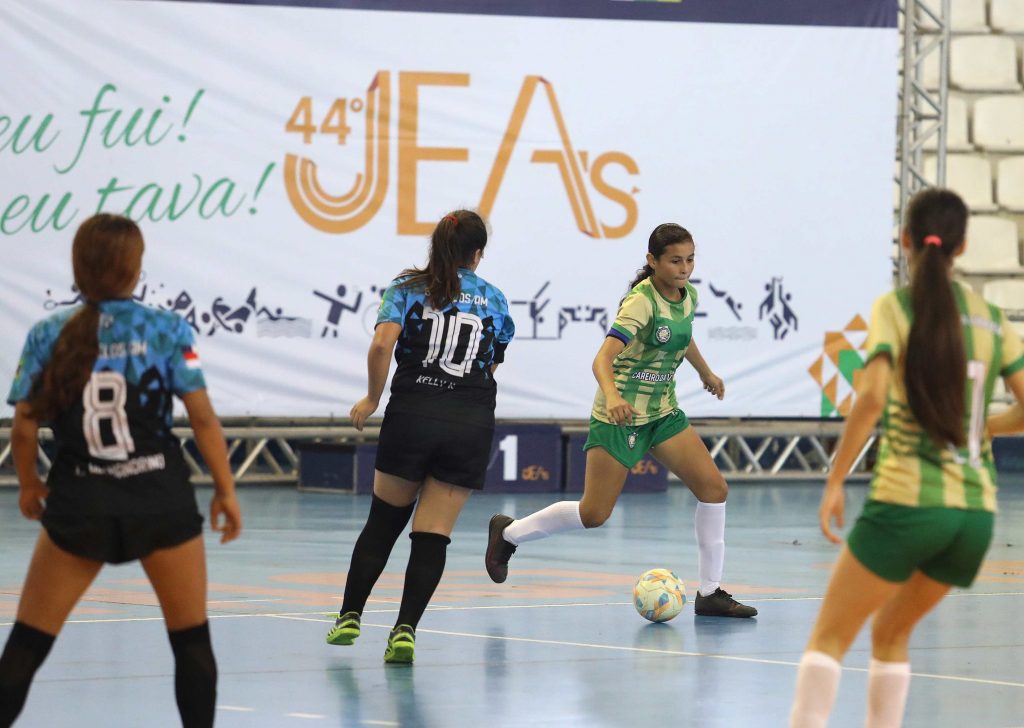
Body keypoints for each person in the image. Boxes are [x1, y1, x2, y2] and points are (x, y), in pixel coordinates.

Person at [789, 188, 1024, 728]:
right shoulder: (991, 318)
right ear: (962, 246)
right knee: (891, 633)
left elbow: (870, 397)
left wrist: (834, 480)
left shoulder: (897, 308)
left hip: (908, 504)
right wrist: (980, 427)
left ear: (905, 241)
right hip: (974, 517)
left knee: (828, 637)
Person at [0, 214, 242, 728]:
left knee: (26, 644)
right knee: (191, 641)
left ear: (78, 267)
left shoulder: (48, 332)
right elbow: (202, 419)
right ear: (135, 270)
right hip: (160, 500)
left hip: (78, 503)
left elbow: (23, 429)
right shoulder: (166, 329)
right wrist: (225, 490)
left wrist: (29, 484)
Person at [485, 222, 757, 618]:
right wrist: (612, 397)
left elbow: (684, 336)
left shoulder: (688, 295)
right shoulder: (640, 302)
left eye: (690, 260)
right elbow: (601, 359)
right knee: (594, 514)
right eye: (675, 261)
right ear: (653, 261)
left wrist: (705, 372)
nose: (684, 268)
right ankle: (508, 533)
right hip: (621, 416)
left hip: (662, 413)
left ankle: (710, 592)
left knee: (714, 489)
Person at [326, 209, 515, 663]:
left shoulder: (407, 289)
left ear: (436, 246)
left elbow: (380, 346)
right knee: (432, 536)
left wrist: (372, 399)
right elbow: (490, 363)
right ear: (478, 253)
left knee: (383, 522)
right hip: (469, 422)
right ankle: (405, 630)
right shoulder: (495, 299)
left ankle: (350, 615)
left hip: (413, 414)